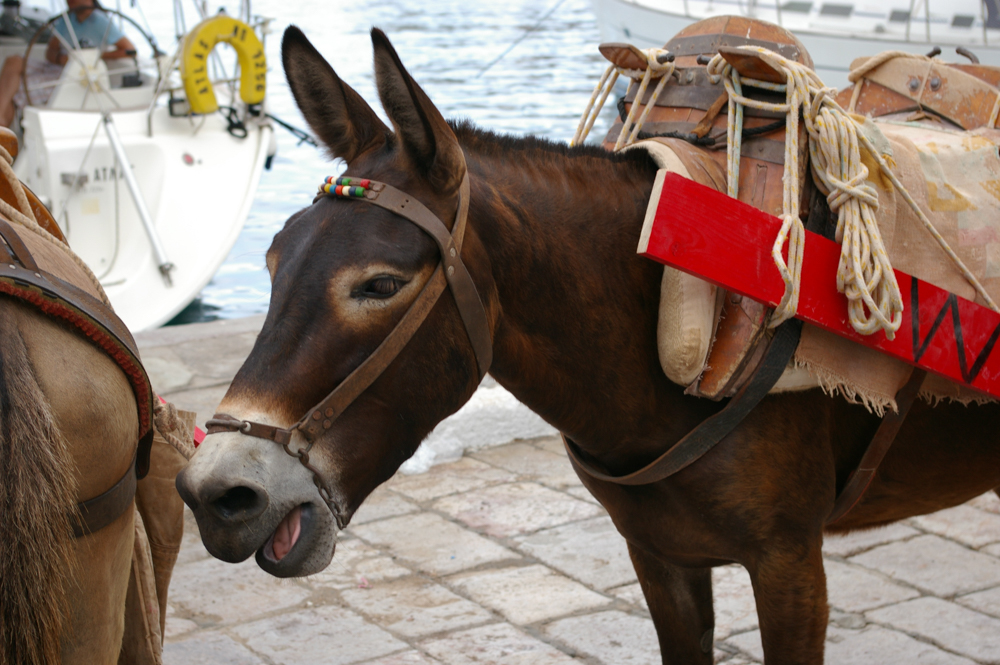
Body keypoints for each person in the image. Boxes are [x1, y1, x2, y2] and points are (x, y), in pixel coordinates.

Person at [0, 0, 135, 126]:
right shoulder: (66, 20)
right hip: (58, 66)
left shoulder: (100, 21)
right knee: (13, 61)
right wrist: (60, 59)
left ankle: (2, 124)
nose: (68, 1)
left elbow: (130, 50)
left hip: (77, 75)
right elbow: (50, 52)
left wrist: (93, 57)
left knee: (15, 86)